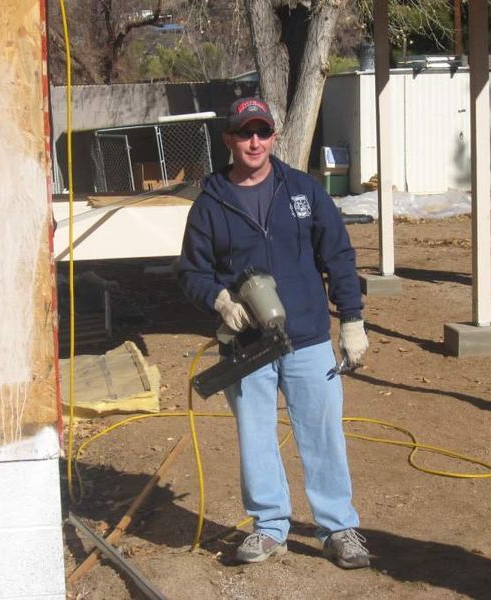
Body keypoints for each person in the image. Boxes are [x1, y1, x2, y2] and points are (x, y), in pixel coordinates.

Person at [177, 97, 371, 569]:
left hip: (306, 337)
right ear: (230, 140)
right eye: (245, 133)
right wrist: (219, 300)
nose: (255, 142)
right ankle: (269, 527)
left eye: (262, 132)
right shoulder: (210, 204)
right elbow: (191, 272)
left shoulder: (303, 190)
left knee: (322, 434)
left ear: (274, 138)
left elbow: (339, 256)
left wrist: (351, 319)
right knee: (256, 437)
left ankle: (338, 527)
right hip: (246, 347)